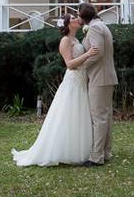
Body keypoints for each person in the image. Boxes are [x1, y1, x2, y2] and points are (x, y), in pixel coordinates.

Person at [11, 13, 99, 167]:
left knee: (79, 114)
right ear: (67, 25)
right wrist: (88, 54)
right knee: (68, 114)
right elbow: (70, 64)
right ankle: (61, 150)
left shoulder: (76, 39)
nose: (76, 19)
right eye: (72, 19)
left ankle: (80, 149)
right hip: (73, 81)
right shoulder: (65, 41)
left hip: (82, 80)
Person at [79, 2, 118, 166]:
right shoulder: (100, 25)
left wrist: (81, 66)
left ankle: (96, 157)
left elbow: (97, 52)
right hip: (105, 76)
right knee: (105, 116)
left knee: (99, 117)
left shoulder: (95, 28)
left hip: (100, 77)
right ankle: (105, 151)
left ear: (83, 17)